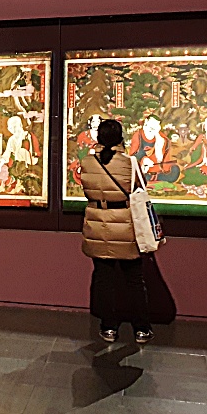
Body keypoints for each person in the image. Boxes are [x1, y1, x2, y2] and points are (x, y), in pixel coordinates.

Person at [80, 119, 153, 344]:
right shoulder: (129, 163)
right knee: (134, 280)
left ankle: (108, 327)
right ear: (120, 138)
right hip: (125, 224)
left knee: (104, 280)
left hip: (97, 222)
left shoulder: (87, 162)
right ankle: (141, 329)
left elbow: (87, 189)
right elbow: (140, 188)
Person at [129, 115, 180, 184]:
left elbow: (163, 159)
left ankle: (152, 177)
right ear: (146, 122)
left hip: (158, 169)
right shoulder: (138, 135)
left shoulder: (162, 139)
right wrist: (143, 160)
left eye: (154, 127)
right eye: (150, 125)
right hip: (143, 169)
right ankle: (149, 177)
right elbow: (132, 155)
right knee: (136, 174)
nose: (151, 129)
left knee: (175, 170)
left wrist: (159, 145)